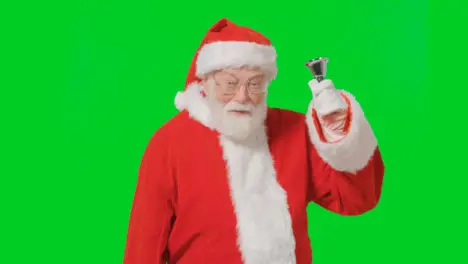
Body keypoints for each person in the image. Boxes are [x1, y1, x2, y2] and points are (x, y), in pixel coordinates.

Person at [123, 18, 385, 264]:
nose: (242, 96)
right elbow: (145, 243)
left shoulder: (294, 130)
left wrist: (339, 134)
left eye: (255, 84)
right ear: (205, 82)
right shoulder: (169, 142)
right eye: (229, 84)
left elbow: (355, 198)